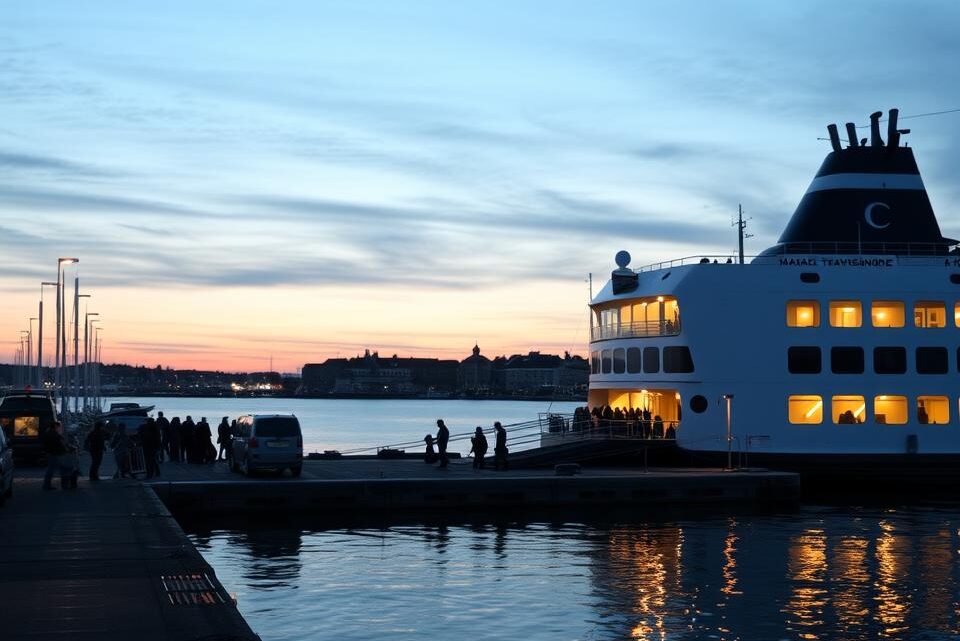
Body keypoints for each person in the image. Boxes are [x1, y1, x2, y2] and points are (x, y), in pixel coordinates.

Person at [42, 421, 68, 490]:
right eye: (59, 427)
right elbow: (58, 443)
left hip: (51, 452)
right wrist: (65, 449)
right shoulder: (53, 434)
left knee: (51, 469)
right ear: (55, 426)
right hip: (54, 453)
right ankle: (47, 485)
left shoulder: (49, 432)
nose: (60, 428)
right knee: (52, 469)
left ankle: (47, 485)